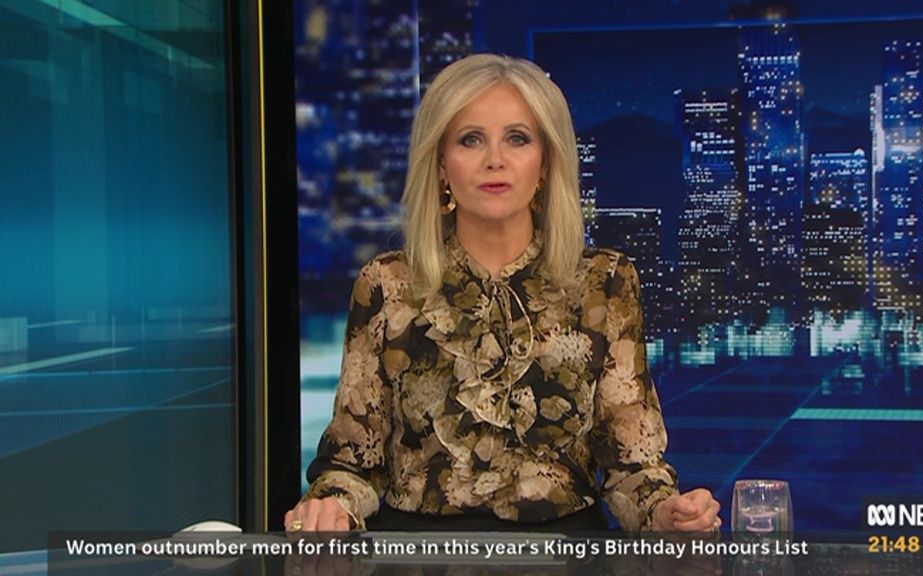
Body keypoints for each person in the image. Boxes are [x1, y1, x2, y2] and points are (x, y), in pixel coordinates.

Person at [285, 53, 721, 533]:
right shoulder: (388, 285)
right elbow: (352, 463)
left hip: (566, 551)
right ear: (441, 165)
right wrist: (331, 507)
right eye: (470, 139)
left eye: (517, 138)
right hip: (418, 553)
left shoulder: (604, 282)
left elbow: (632, 467)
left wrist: (666, 512)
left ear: (546, 162)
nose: (495, 159)